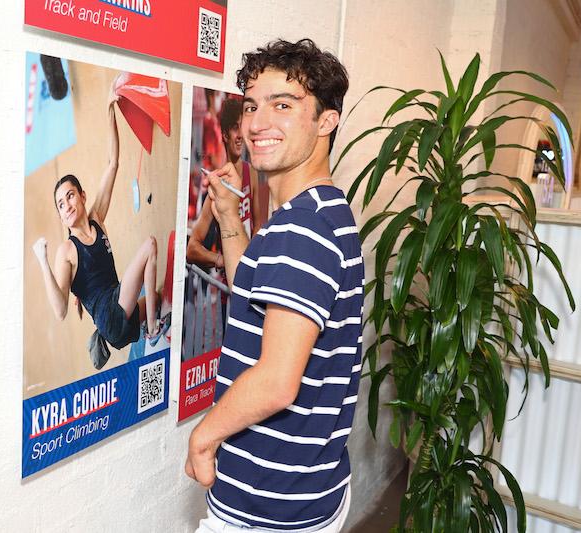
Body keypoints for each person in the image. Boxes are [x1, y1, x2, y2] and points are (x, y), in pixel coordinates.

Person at [185, 39, 363, 532]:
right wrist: (229, 221)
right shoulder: (324, 212)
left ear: (326, 121)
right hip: (310, 489)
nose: (258, 123)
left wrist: (203, 437)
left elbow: (276, 382)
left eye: (283, 105)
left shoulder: (301, 230)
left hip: (268, 510)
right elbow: (259, 299)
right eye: (251, 106)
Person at [32, 85, 160, 369]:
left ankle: (147, 323)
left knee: (159, 297)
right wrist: (43, 261)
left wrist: (109, 111)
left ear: (82, 196)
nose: (66, 205)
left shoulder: (97, 218)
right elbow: (60, 310)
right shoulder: (66, 251)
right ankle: (152, 330)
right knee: (150, 245)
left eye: (70, 196)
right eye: (60, 204)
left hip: (119, 313)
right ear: (61, 215)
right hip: (110, 315)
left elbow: (113, 163)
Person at [187, 97, 265, 271]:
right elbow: (191, 249)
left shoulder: (250, 171)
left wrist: (250, 260)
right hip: (228, 284)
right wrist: (221, 260)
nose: (240, 136)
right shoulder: (218, 185)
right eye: (235, 128)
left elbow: (258, 224)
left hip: (249, 273)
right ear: (225, 135)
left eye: (242, 127)